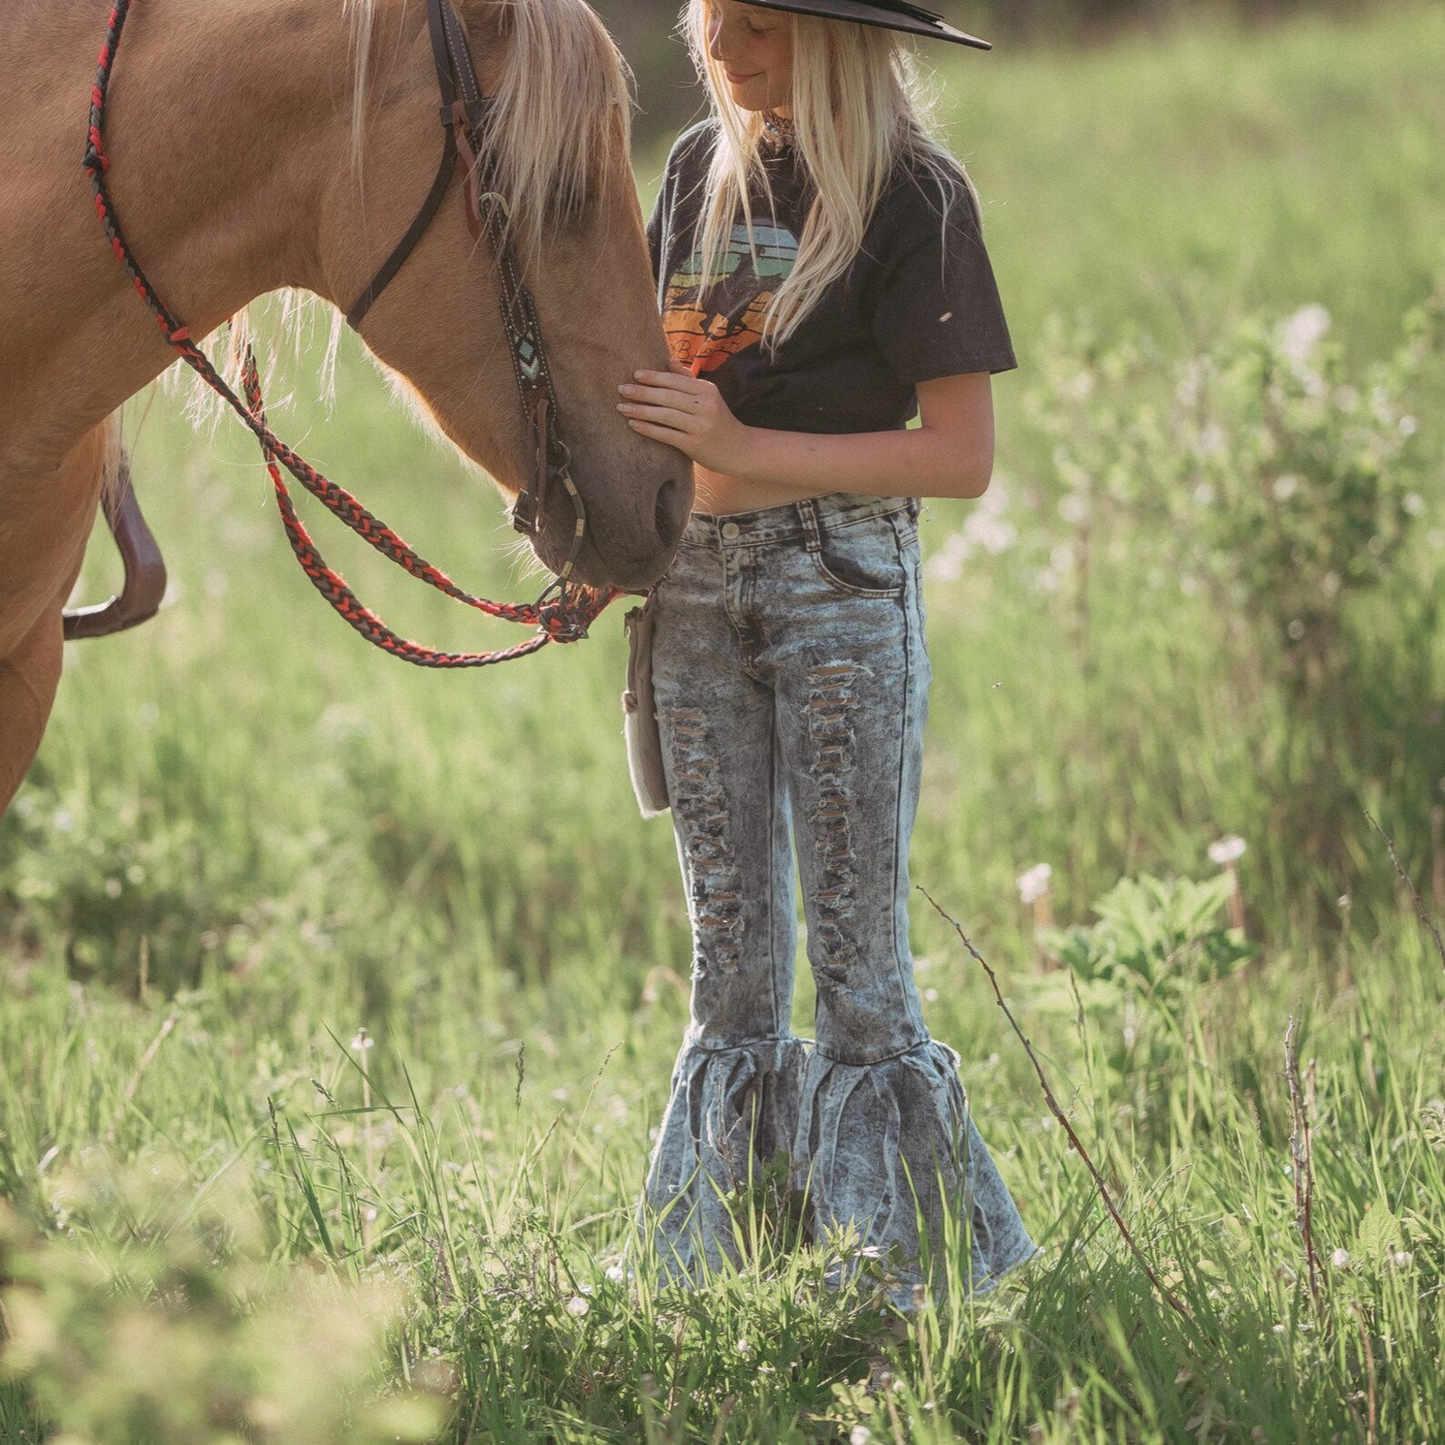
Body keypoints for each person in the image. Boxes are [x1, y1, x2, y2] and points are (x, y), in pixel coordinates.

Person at [620, 0, 1038, 1311]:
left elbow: (958, 458)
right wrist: (609, 549)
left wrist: (749, 456)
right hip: (687, 591)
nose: (724, 56)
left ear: (838, 35)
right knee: (730, 967)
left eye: (759, 28)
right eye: (709, 25)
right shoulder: (695, 170)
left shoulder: (918, 195)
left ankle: (910, 1289)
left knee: (858, 976)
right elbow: (646, 395)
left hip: (839, 583)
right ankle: (721, 1274)